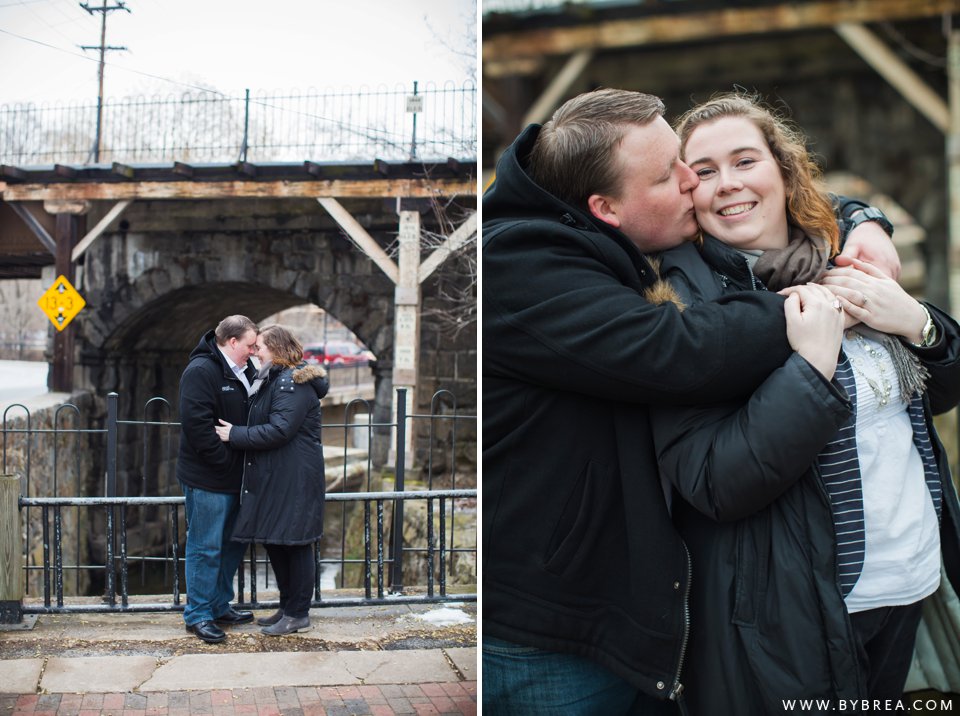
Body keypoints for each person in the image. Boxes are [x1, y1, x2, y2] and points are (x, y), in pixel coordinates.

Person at [482, 86, 902, 714]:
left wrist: (859, 219)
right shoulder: (516, 259)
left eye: (689, 162)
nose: (695, 184)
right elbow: (676, 350)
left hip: (625, 609)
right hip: (549, 633)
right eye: (675, 174)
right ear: (606, 209)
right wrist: (812, 303)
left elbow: (763, 189)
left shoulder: (609, 227)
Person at [647, 92, 960, 713]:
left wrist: (919, 323)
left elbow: (939, 396)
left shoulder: (846, 255)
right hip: (799, 613)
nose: (728, 184)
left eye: (745, 160)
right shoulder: (681, 306)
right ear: (686, 193)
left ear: (782, 170)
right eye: (703, 171)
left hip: (913, 578)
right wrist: (810, 370)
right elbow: (716, 483)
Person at [214, 324, 329, 636]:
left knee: (295, 544)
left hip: (293, 478)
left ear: (276, 349)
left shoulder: (292, 383)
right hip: (279, 476)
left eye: (259, 346)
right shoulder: (274, 379)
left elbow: (280, 430)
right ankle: (288, 607)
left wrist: (233, 435)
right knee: (278, 541)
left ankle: (298, 614)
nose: (255, 352)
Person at [177, 314, 260, 644]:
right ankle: (198, 614)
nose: (254, 351)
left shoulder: (245, 370)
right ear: (232, 342)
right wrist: (227, 463)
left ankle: (218, 604)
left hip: (238, 477)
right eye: (250, 345)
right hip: (208, 477)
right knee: (206, 546)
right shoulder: (201, 371)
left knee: (232, 544)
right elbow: (197, 427)